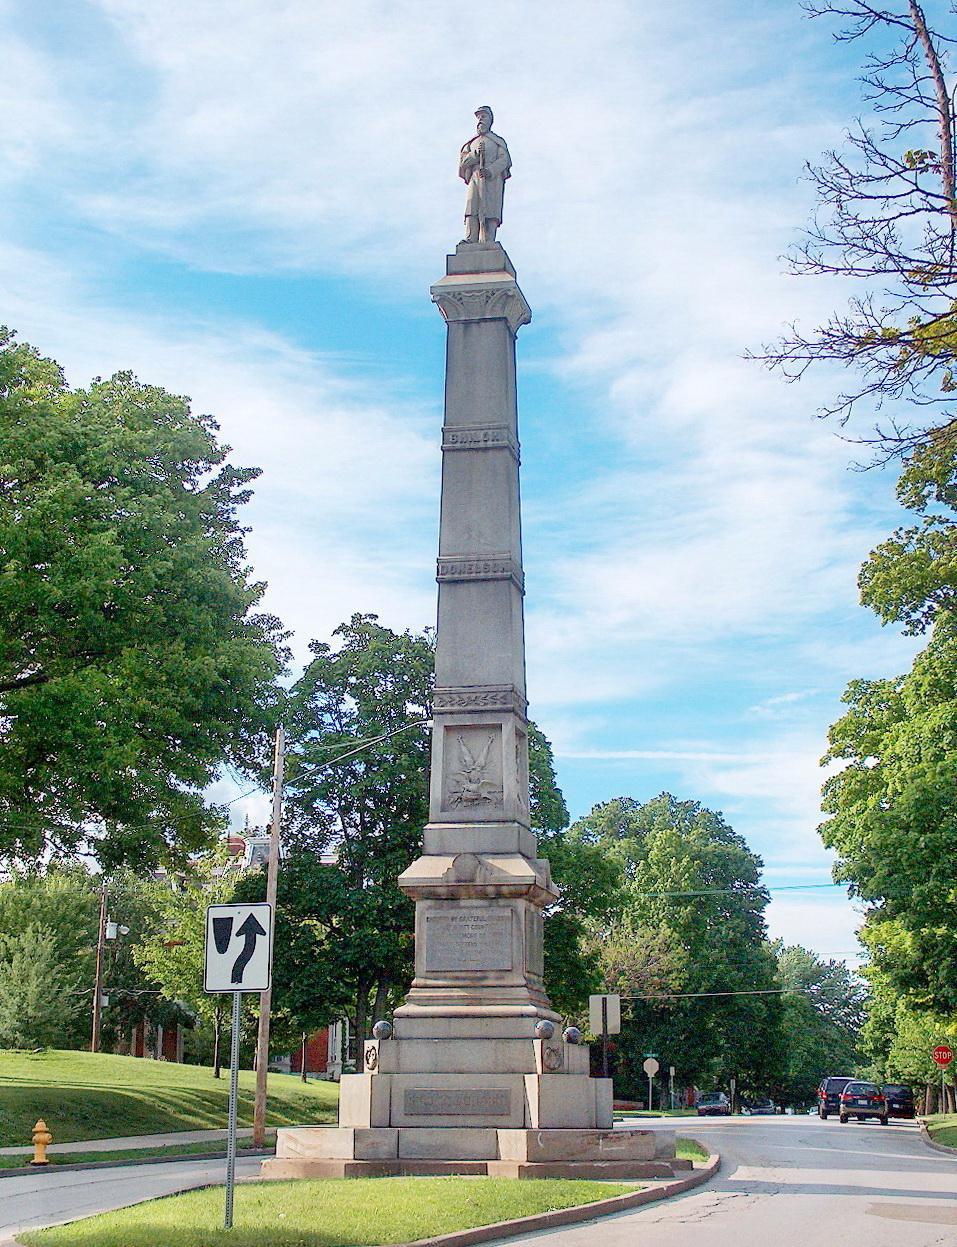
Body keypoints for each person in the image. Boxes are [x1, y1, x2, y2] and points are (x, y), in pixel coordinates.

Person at [459, 106, 511, 244]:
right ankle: (471, 238)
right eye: (479, 117)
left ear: (490, 120)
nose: (480, 120)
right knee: (472, 207)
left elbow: (504, 160)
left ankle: (488, 240)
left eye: (484, 116)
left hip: (492, 180)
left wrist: (490, 170)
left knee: (491, 210)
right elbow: (463, 162)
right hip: (475, 177)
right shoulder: (471, 143)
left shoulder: (497, 141)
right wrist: (475, 156)